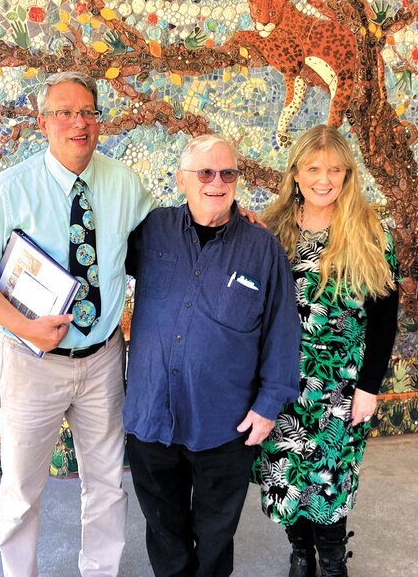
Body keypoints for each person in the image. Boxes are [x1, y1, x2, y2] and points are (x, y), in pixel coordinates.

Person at [0, 71, 155, 577]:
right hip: (30, 363)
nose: (78, 123)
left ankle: (100, 571)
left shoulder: (125, 184)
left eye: (88, 112)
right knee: (21, 490)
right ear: (43, 123)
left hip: (103, 359)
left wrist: (232, 218)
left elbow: (163, 244)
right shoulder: (9, 189)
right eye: (64, 113)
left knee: (106, 483)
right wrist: (23, 328)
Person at [124, 134, 301, 577]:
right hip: (152, 417)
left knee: (217, 532)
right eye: (204, 172)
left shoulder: (262, 249)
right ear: (182, 180)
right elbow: (94, 265)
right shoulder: (151, 231)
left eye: (227, 173)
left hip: (225, 424)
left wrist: (267, 406)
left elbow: (283, 330)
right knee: (164, 528)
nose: (216, 182)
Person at [252, 125, 400, 577]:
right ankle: (300, 555)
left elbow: (384, 318)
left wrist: (369, 387)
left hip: (340, 382)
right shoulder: (272, 229)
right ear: (295, 173)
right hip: (279, 380)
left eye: (335, 170)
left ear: (347, 176)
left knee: (329, 476)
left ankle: (333, 560)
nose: (324, 179)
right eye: (314, 168)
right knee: (286, 473)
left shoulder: (369, 231)